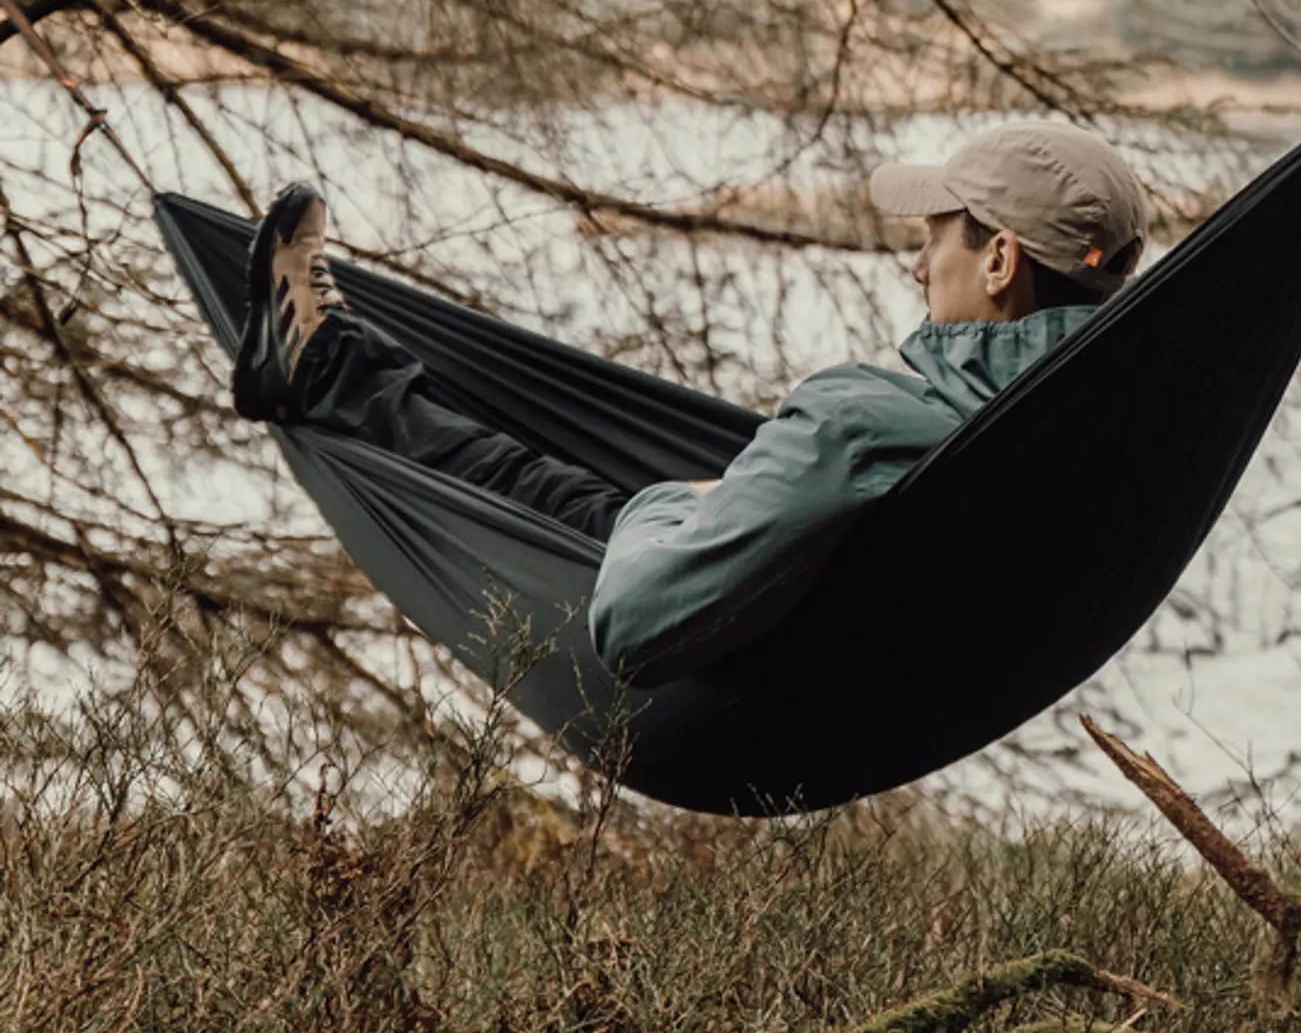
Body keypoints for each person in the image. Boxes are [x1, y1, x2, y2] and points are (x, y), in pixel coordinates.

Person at [232, 123, 1151, 686]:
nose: (917, 267)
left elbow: (632, 625)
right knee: (571, 482)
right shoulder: (1107, 442)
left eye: (936, 240)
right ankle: (335, 361)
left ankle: (322, 365)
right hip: (854, 681)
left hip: (716, 679)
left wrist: (673, 501)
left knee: (552, 492)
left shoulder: (857, 422)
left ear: (999, 261)